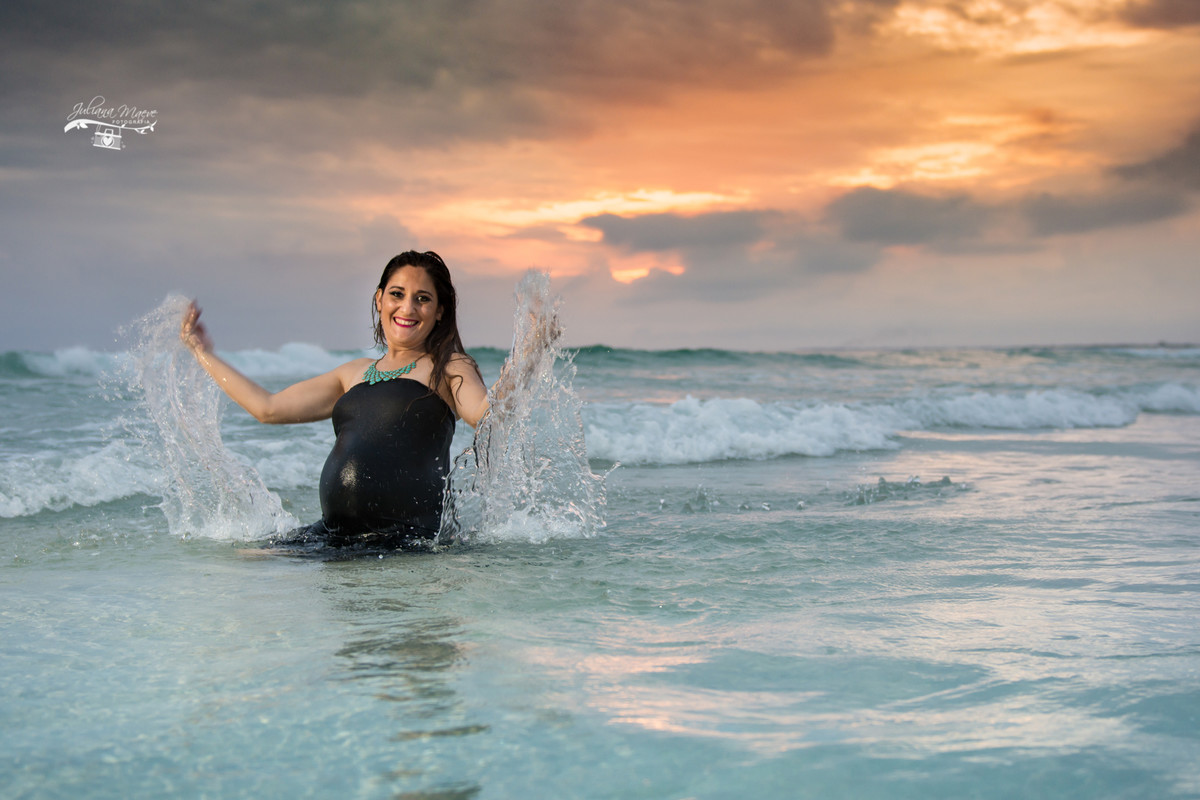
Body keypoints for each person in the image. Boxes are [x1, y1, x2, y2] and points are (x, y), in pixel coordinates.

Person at [180, 250, 491, 550]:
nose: (407, 308)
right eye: (397, 294)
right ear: (379, 298)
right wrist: (201, 352)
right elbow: (268, 408)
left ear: (439, 311)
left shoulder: (449, 367)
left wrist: (530, 353)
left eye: (422, 299)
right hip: (333, 535)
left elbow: (483, 414)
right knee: (241, 566)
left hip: (408, 540)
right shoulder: (352, 373)